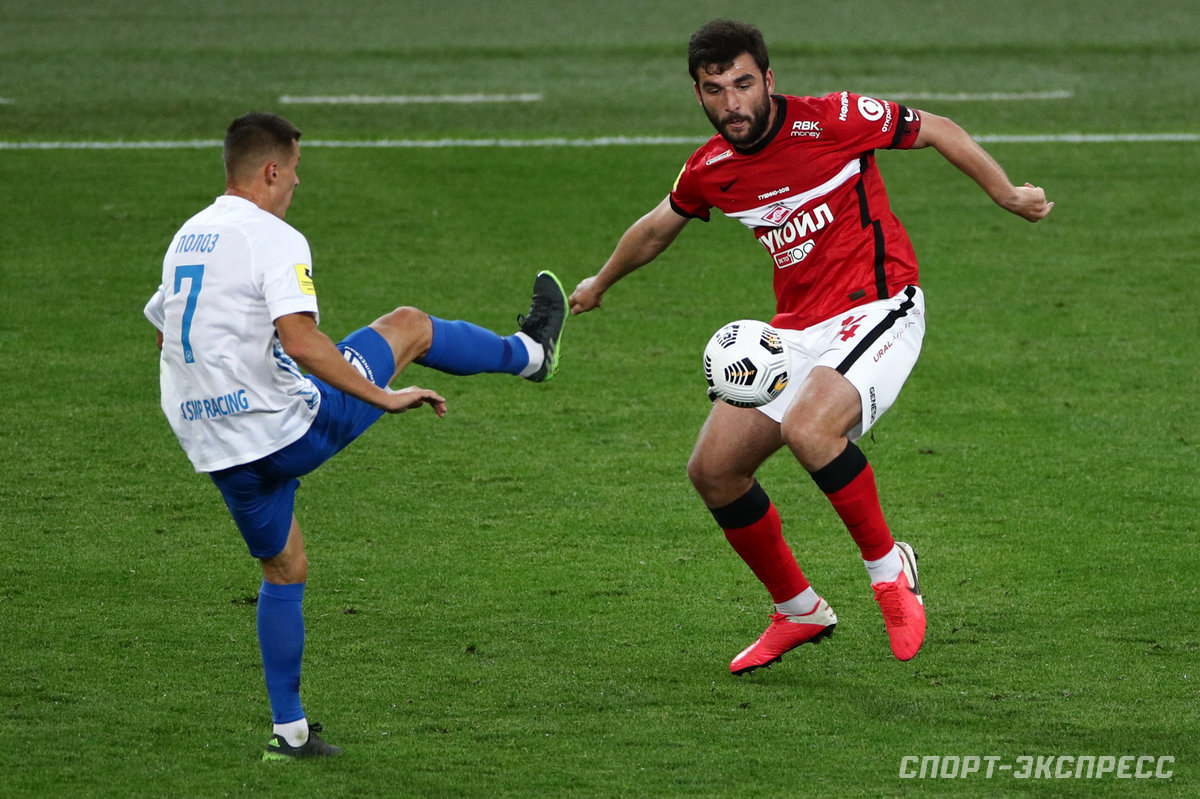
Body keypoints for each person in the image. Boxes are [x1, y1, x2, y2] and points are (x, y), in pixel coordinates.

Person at [569, 20, 1052, 675]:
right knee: (714, 470)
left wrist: (1009, 194)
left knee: (809, 429)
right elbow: (658, 228)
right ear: (698, 94)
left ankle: (890, 572)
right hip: (796, 331)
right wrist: (600, 282)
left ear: (769, 79)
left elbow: (936, 129)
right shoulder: (711, 169)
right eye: (715, 90)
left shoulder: (833, 120)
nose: (732, 103)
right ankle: (798, 609)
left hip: (880, 306)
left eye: (743, 84)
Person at [144, 112, 568, 758]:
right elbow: (300, 339)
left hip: (212, 441)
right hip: (288, 428)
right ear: (271, 170)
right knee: (409, 325)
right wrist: (383, 395)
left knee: (284, 566)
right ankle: (532, 353)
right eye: (295, 171)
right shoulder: (274, 236)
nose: (297, 185)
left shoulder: (188, 236)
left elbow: (165, 333)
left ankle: (289, 732)